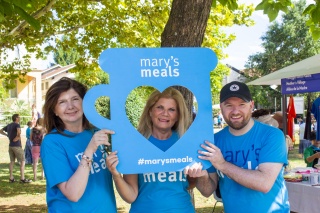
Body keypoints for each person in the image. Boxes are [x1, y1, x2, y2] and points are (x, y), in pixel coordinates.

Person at [185, 81, 290, 213]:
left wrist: (222, 164)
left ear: (251, 105)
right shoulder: (214, 142)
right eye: (229, 105)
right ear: (221, 108)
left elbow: (264, 183)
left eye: (242, 104)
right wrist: (202, 175)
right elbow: (207, 191)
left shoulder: (272, 135)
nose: (235, 111)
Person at [106, 87, 196, 213]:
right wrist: (116, 175)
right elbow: (130, 196)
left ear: (177, 115)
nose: (165, 114)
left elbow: (190, 183)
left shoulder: (186, 143)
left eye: (171, 109)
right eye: (160, 107)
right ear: (150, 111)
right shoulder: (135, 145)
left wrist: (195, 176)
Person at [40, 77, 117, 212]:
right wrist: (89, 150)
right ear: (54, 110)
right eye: (62, 102)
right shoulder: (52, 142)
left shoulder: (96, 133)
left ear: (84, 103)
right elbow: (73, 194)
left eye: (75, 99)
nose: (70, 106)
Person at [0, 114, 32, 183]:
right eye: (19, 117)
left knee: (12, 161)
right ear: (16, 118)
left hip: (10, 146)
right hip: (16, 146)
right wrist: (18, 136)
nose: (20, 118)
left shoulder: (9, 125)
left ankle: (11, 177)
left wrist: (7, 135)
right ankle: (22, 178)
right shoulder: (17, 125)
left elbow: (1, 130)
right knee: (23, 161)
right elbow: (18, 132)